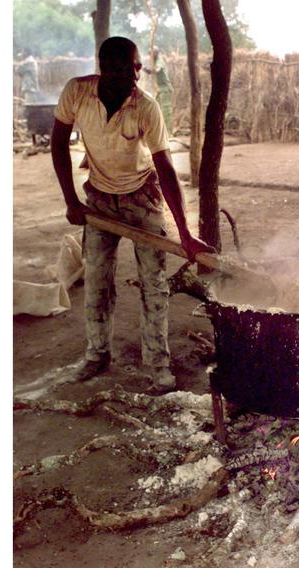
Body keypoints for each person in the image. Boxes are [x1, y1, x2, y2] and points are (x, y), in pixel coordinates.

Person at [50, 36, 213, 393]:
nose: (136, 75)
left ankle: (158, 364)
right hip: (100, 200)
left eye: (138, 66)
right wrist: (71, 201)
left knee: (154, 286)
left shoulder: (146, 107)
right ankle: (97, 355)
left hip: (143, 198)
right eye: (127, 68)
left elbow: (166, 168)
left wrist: (183, 233)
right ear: (105, 69)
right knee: (96, 281)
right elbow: (58, 142)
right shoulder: (77, 93)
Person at [143, 47, 173, 131]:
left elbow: (157, 70)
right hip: (159, 89)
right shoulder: (154, 61)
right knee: (157, 109)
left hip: (165, 88)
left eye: (151, 54)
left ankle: (168, 132)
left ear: (156, 53)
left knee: (165, 110)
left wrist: (150, 70)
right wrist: (146, 69)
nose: (150, 56)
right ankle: (160, 130)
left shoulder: (160, 61)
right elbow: (152, 71)